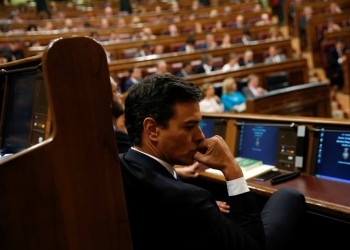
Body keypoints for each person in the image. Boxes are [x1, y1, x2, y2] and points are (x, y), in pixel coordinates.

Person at [120, 73, 306, 250]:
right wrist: (232, 169)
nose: (201, 136)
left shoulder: (118, 168)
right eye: (189, 126)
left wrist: (205, 212)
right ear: (152, 129)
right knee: (289, 195)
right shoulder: (190, 201)